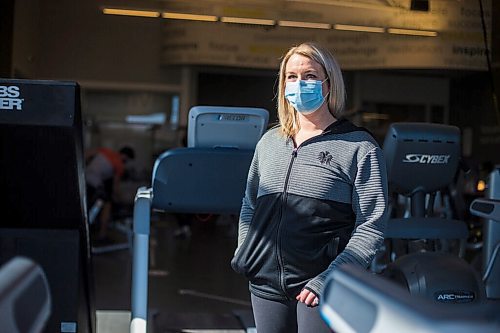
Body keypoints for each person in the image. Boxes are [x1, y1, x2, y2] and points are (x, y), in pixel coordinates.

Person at [230, 42, 388, 333]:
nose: (300, 84)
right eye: (291, 76)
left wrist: (330, 277)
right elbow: (249, 205)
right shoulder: (269, 142)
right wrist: (247, 253)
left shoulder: (359, 147)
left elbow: (372, 225)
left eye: (310, 76)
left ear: (330, 83)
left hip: (321, 287)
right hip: (266, 286)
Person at [85, 146, 135, 240]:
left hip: (86, 177)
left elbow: (87, 154)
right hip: (95, 183)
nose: (126, 162)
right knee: (107, 204)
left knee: (95, 202)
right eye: (127, 160)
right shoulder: (120, 165)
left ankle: (92, 225)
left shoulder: (105, 151)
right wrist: (118, 199)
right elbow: (115, 186)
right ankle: (102, 234)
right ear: (125, 156)